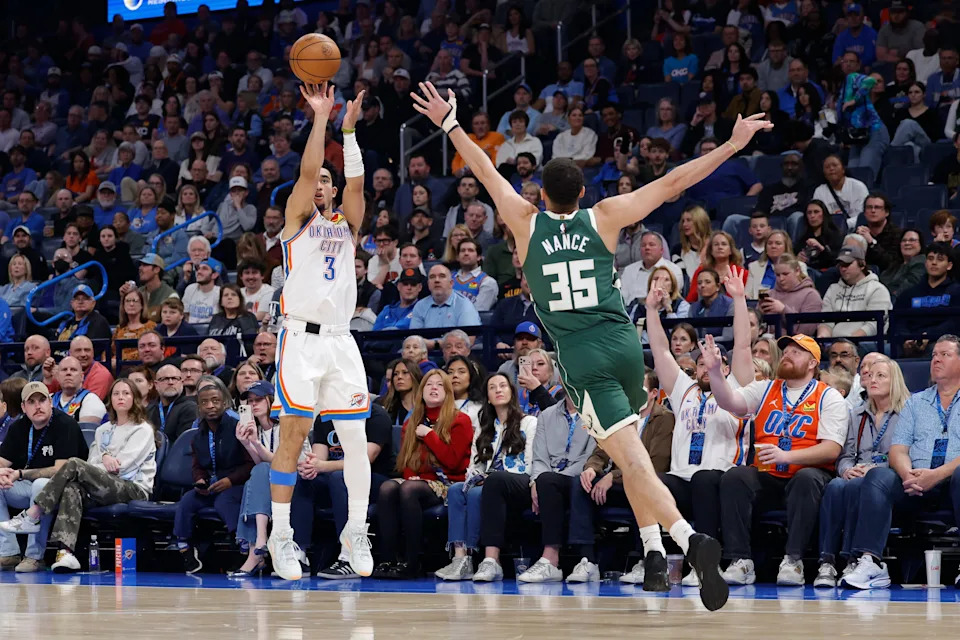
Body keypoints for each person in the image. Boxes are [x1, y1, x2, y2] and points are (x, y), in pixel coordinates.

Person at [414, 80, 772, 610]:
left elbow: (484, 169)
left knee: (629, 458)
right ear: (582, 194)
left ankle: (687, 540)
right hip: (624, 344)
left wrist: (448, 123)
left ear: (541, 195)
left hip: (580, 354)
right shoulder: (603, 217)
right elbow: (673, 184)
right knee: (623, 451)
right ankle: (651, 554)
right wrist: (732, 145)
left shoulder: (524, 222)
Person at [266, 83, 374, 581]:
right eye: (317, 181)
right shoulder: (294, 221)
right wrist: (321, 118)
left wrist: (348, 131)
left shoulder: (347, 225)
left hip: (340, 339)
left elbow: (357, 185)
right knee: (294, 433)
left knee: (354, 436)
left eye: (327, 181)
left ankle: (355, 532)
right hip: (300, 340)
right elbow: (308, 170)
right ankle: (281, 535)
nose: (321, 184)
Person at [701, 332, 848, 586]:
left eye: (796, 352)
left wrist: (788, 455)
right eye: (786, 351)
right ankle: (741, 560)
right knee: (735, 476)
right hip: (769, 473)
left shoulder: (828, 396)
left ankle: (794, 560)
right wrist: (715, 373)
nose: (788, 355)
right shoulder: (766, 388)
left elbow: (831, 449)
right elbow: (730, 402)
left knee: (806, 477)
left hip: (808, 475)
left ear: (813, 363)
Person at [841, 335, 960, 589]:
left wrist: (937, 475)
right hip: (914, 483)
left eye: (945, 354)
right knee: (879, 477)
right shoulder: (916, 402)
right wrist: (907, 475)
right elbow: (898, 450)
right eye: (934, 355)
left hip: (952, 481)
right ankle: (871, 562)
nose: (936, 359)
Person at [0, 379, 154, 573]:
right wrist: (104, 459)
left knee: (73, 464)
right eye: (116, 394)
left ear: (135, 399)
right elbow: (93, 463)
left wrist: (103, 461)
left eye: (126, 393)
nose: (121, 397)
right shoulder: (102, 430)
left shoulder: (143, 429)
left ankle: (34, 514)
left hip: (133, 487)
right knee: (72, 488)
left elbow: (123, 466)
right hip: (103, 485)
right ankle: (65, 553)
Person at [814, 356, 908, 588]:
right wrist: (846, 470)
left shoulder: (907, 413)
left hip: (889, 477)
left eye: (881, 376)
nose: (872, 380)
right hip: (858, 473)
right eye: (871, 375)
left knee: (861, 484)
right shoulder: (856, 415)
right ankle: (826, 561)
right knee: (836, 485)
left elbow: (909, 455)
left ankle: (851, 558)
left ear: (894, 380)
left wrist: (874, 469)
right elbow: (845, 456)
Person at [434, 373, 537, 581]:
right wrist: (475, 477)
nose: (498, 390)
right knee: (456, 489)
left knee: (479, 492)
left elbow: (531, 462)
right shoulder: (485, 427)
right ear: (488, 397)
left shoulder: (529, 423)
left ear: (512, 392)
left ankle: (476, 555)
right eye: (492, 387)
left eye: (503, 386)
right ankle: (460, 558)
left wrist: (490, 478)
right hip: (487, 481)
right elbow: (474, 463)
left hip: (516, 481)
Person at [373, 370, 473, 578]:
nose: (434, 388)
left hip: (448, 482)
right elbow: (406, 460)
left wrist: (430, 436)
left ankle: (412, 561)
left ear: (447, 392)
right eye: (429, 385)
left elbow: (454, 463)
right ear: (422, 392)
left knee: (408, 489)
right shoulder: (412, 422)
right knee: (388, 487)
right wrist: (411, 475)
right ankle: (387, 559)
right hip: (420, 482)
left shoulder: (460, 420)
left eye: (439, 385)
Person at [0, 382, 88, 572]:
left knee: (41, 485)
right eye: (31, 402)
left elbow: (60, 470)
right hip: (26, 487)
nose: (37, 406)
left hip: (65, 491)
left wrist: (20, 474)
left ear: (51, 402)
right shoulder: (19, 427)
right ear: (23, 407)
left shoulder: (66, 425)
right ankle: (8, 551)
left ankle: (34, 556)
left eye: (42, 400)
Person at [229, 380, 310, 577]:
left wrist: (256, 444)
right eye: (249, 401)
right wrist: (248, 444)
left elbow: (287, 463)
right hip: (272, 481)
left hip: (299, 478)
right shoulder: (256, 428)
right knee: (255, 476)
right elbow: (261, 466)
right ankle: (257, 547)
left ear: (271, 401)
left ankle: (257, 547)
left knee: (260, 472)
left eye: (258, 400)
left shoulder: (288, 425)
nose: (253, 405)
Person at [893, 242, 960, 357]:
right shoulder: (909, 294)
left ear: (949, 265)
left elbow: (954, 323)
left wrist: (929, 335)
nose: (934, 262)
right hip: (910, 340)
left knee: (936, 350)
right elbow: (898, 322)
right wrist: (906, 339)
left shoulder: (956, 291)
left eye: (940, 259)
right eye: (930, 258)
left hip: (939, 341)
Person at [817, 245, 893, 338]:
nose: (843, 269)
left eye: (847, 264)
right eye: (841, 265)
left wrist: (849, 342)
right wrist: (823, 340)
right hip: (834, 344)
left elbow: (874, 325)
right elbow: (826, 322)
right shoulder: (833, 289)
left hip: (866, 342)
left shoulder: (877, 289)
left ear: (862, 265)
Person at [758, 253, 823, 336]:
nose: (781, 279)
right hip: (767, 343)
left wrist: (783, 310)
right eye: (778, 275)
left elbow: (805, 332)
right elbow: (757, 327)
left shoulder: (811, 295)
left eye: (785, 274)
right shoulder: (769, 294)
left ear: (797, 271)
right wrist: (760, 313)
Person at [48, 357, 106, 424]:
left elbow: (86, 433)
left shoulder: (91, 400)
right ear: (57, 376)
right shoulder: (49, 399)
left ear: (82, 376)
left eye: (73, 370)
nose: (68, 373)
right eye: (64, 370)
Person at [149, 363, 197, 442]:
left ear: (182, 383)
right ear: (156, 385)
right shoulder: (148, 410)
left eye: (175, 378)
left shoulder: (190, 408)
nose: (170, 382)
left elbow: (184, 443)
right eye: (164, 379)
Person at [112, 289, 156, 365]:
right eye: (128, 301)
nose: (131, 304)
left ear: (142, 305)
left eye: (135, 301)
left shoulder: (151, 326)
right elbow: (111, 351)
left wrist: (125, 359)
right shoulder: (119, 329)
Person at [181, 260, 221, 324]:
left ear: (214, 275)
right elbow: (185, 314)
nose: (199, 271)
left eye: (204, 269)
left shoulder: (219, 293)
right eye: (198, 268)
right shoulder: (190, 289)